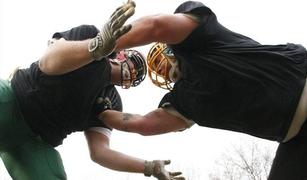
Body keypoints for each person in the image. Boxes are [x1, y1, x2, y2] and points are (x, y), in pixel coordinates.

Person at [100, 1, 307, 179]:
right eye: (160, 69)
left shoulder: (199, 39)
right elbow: (142, 125)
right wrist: (99, 111)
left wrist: (99, 48)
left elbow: (157, 25)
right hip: (296, 137)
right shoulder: (184, 102)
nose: (164, 68)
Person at [0, 1, 185, 180]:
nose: (134, 74)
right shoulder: (90, 35)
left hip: (36, 144)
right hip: (12, 101)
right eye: (134, 65)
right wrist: (95, 46)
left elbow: (100, 152)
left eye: (138, 77)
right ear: (121, 54)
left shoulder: (112, 100)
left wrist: (149, 167)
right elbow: (47, 63)